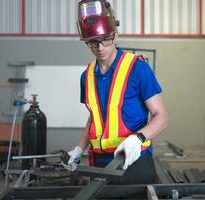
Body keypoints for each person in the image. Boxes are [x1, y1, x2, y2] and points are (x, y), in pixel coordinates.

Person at [65, 0, 169, 184]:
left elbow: (161, 116)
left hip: (134, 161)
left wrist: (138, 139)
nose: (101, 47)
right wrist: (79, 148)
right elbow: (95, 117)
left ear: (116, 34)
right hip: (98, 165)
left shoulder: (137, 68)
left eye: (106, 39)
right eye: (93, 42)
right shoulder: (86, 76)